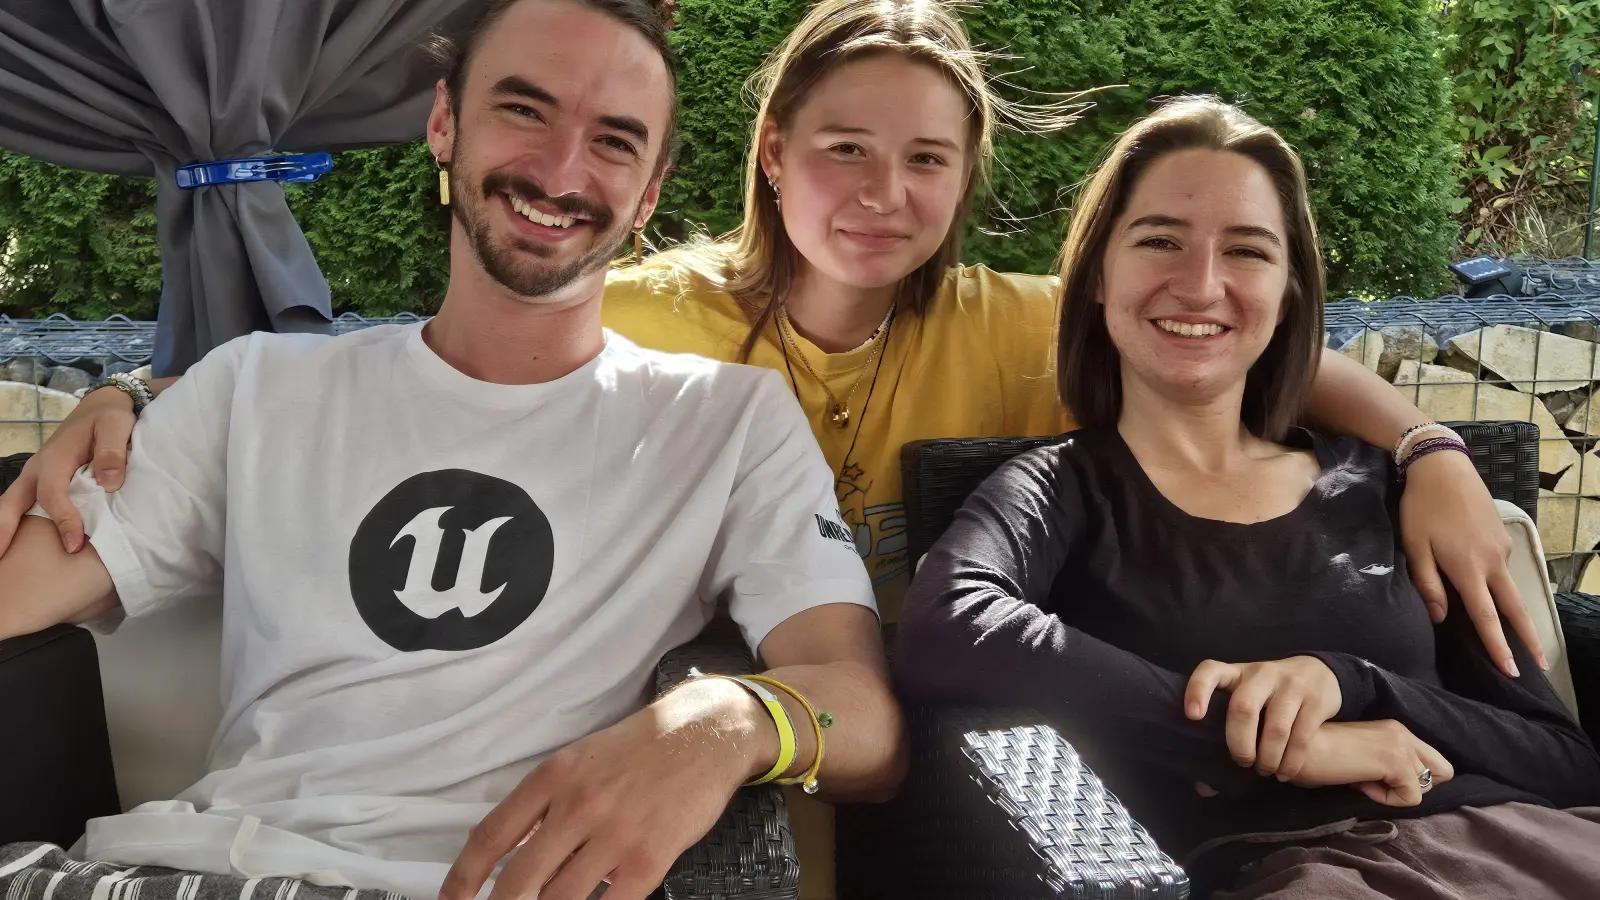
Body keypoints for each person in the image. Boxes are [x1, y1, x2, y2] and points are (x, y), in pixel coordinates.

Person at [0, 0, 1547, 680]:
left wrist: (1425, 449)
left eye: (927, 161)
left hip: (944, 713)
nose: (883, 194)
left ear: (967, 182)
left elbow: (1230, 340)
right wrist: (141, 396)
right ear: (770, 155)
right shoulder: (640, 315)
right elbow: (418, 370)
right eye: (844, 150)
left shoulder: (1020, 324)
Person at [0, 3, 904, 900]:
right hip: (194, 871)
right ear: (444, 122)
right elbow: (21, 587)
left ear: (651, 191)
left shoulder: (728, 422)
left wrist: (728, 718)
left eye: (614, 141)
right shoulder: (255, 387)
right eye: (524, 109)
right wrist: (117, 400)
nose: (561, 170)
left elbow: (867, 724)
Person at [894, 97, 1600, 899]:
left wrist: (1355, 686)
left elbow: (1564, 762)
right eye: (1160, 240)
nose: (1201, 285)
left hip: (1531, 844)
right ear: (1096, 275)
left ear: (1289, 289)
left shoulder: (1391, 489)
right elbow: (946, 628)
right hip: (1301, 873)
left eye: (1247, 250)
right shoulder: (1060, 489)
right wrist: (1269, 743)